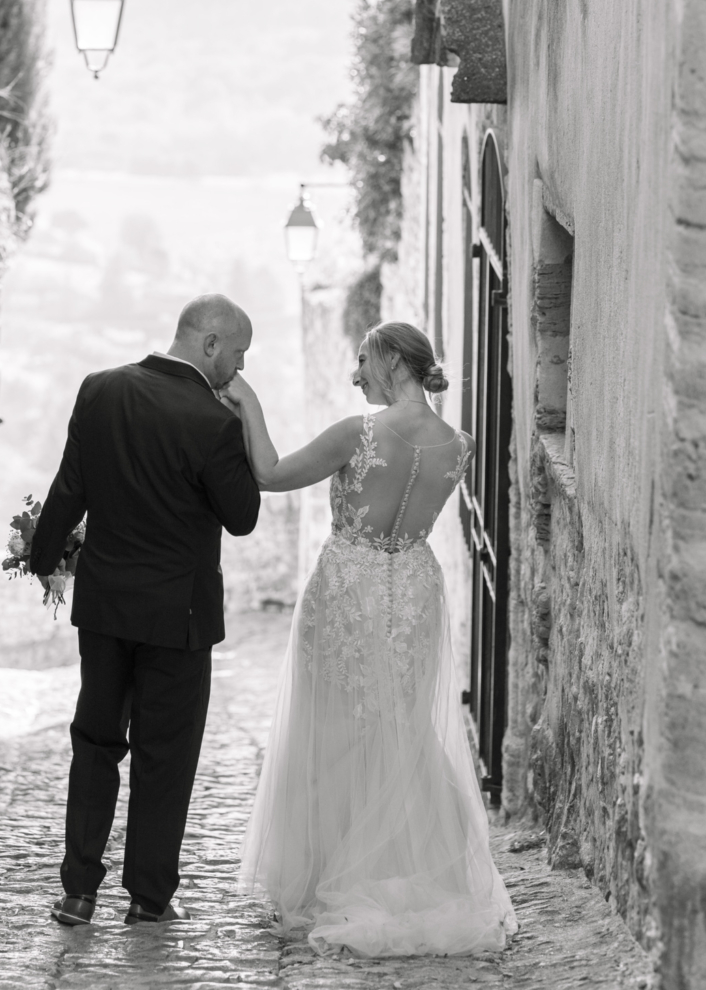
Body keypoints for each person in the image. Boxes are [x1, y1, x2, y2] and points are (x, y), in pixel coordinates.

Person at [221, 320, 518, 957]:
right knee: (401, 727)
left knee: (331, 724)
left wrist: (247, 401)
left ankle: (330, 877)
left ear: (390, 358)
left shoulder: (356, 434)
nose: (355, 376)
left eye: (362, 360)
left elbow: (270, 474)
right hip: (414, 586)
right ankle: (408, 869)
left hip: (347, 586)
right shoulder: (459, 445)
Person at [30, 294, 262, 929]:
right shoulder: (213, 421)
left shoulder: (99, 389)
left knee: (95, 744)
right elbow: (242, 517)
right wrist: (245, 421)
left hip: (105, 609)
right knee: (165, 755)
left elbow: (68, 486)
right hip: (178, 621)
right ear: (209, 343)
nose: (239, 370)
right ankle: (148, 896)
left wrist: (42, 555)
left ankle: (78, 891)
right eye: (238, 354)